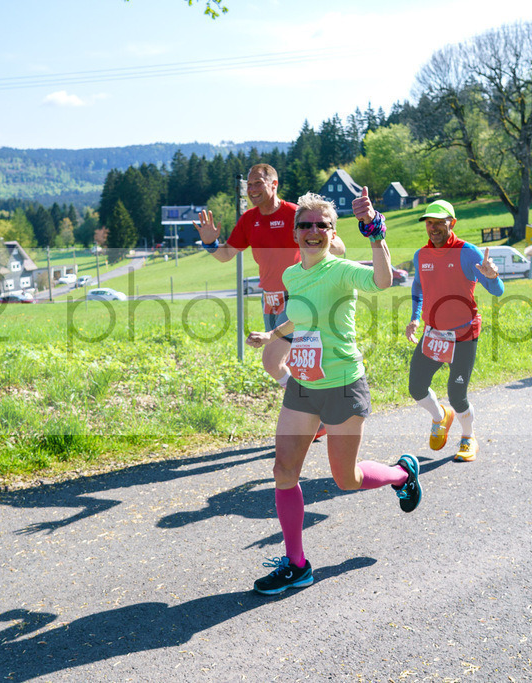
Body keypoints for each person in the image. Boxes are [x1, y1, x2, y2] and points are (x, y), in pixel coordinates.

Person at [244, 189, 421, 596]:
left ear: (331, 231)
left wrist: (375, 232)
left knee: (347, 479)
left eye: (320, 225)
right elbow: (299, 318)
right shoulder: (293, 275)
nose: (311, 232)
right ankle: (297, 565)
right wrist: (272, 333)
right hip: (304, 385)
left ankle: (400, 474)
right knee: (283, 471)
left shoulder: (341, 270)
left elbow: (382, 279)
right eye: (304, 225)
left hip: (342, 386)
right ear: (295, 232)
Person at [194, 165, 346, 387]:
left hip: (297, 295)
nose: (252, 189)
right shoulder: (248, 219)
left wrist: (322, 237)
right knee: (295, 363)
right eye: (250, 184)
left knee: (272, 362)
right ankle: (313, 413)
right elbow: (226, 254)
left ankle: (304, 406)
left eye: (258, 183)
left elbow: (339, 248)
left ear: (274, 185)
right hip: (269, 299)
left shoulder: (295, 214)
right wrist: (210, 243)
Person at [406, 200, 504, 463]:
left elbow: (497, 292)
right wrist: (415, 319)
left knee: (457, 394)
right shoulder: (421, 255)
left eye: (439, 222)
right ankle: (440, 417)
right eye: (429, 222)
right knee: (416, 387)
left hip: (463, 334)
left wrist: (492, 277)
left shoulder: (468, 252)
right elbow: (418, 289)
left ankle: (468, 436)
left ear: (452, 223)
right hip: (433, 334)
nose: (433, 227)